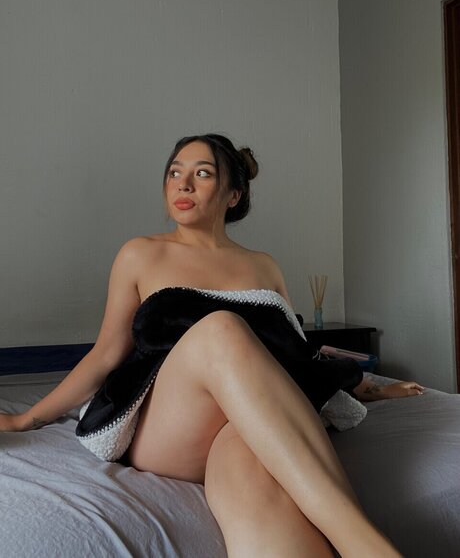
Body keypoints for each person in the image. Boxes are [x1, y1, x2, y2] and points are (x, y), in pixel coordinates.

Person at [0, 133, 423, 557]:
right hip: (170, 425)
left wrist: (367, 385)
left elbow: (296, 356)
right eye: (174, 173)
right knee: (222, 329)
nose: (183, 184)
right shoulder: (140, 255)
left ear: (233, 195)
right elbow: (106, 355)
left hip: (245, 423)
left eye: (202, 174)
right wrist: (26, 420)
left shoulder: (263, 266)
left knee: (252, 475)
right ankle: (362, 542)